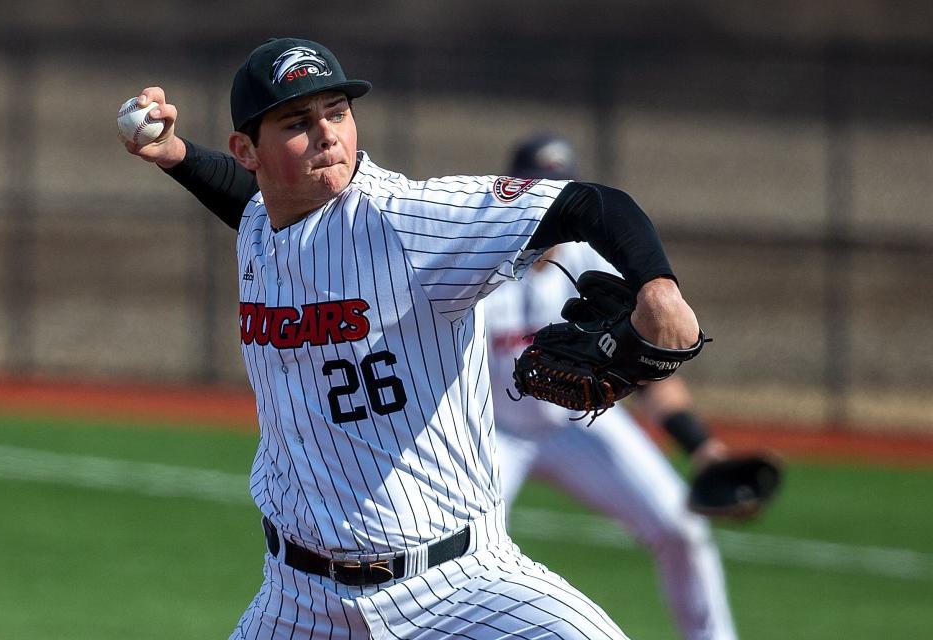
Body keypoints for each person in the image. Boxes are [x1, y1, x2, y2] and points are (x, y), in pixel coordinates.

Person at [120, 37, 703, 639]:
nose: (327, 135)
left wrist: (658, 288)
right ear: (246, 150)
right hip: (296, 601)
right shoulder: (263, 226)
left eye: (337, 114)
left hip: (461, 587)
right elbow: (255, 200)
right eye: (298, 122)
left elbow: (589, 203)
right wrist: (178, 155)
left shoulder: (410, 220)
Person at [485, 134, 739, 640]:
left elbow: (644, 372)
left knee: (682, 530)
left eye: (562, 191)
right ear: (515, 190)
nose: (552, 204)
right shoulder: (475, 272)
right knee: (467, 555)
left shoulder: (587, 268)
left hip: (578, 427)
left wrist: (700, 445)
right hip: (491, 433)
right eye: (541, 189)